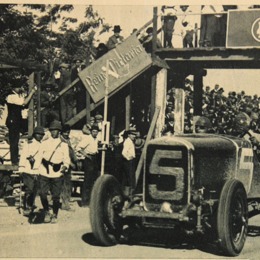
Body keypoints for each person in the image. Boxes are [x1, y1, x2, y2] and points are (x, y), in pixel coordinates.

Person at [33, 120, 70, 223]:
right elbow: (39, 157)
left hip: (57, 173)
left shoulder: (64, 145)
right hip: (44, 171)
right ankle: (46, 211)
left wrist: (65, 166)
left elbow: (66, 159)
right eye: (52, 130)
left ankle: (55, 214)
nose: (53, 132)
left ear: (59, 131)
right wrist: (36, 170)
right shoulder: (44, 143)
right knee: (43, 194)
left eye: (56, 130)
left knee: (56, 196)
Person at [5, 84, 37, 165]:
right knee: (14, 141)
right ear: (13, 88)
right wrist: (32, 92)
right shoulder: (11, 96)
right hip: (13, 121)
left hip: (17, 120)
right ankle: (14, 160)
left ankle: (16, 159)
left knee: (16, 140)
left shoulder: (17, 96)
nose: (20, 88)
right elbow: (24, 103)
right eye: (18, 86)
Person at [18, 126, 45, 216]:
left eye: (42, 134)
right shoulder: (28, 143)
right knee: (29, 189)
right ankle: (26, 207)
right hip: (27, 170)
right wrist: (21, 168)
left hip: (37, 171)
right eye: (38, 134)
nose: (40, 136)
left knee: (34, 189)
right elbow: (23, 155)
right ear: (34, 134)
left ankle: (30, 204)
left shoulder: (42, 145)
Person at [76, 125, 99, 207]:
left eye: (96, 132)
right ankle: (84, 202)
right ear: (91, 131)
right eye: (93, 131)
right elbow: (78, 147)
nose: (95, 133)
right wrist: (86, 155)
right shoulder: (87, 138)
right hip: (89, 159)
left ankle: (90, 201)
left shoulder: (96, 139)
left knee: (93, 180)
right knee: (87, 180)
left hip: (95, 158)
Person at [60, 124, 78, 211]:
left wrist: (76, 160)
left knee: (67, 184)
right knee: (64, 185)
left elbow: (71, 152)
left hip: (68, 165)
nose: (67, 134)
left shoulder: (68, 140)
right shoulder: (60, 141)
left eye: (68, 132)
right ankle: (65, 204)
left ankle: (65, 202)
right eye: (65, 132)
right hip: (62, 164)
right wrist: (71, 163)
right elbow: (63, 155)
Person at [122, 128, 137, 198]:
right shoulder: (128, 142)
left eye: (135, 135)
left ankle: (129, 194)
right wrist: (128, 158)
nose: (134, 136)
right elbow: (123, 153)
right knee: (130, 177)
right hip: (129, 161)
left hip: (131, 160)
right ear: (129, 135)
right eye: (132, 135)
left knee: (130, 177)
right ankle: (129, 195)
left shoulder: (130, 141)